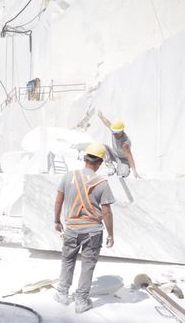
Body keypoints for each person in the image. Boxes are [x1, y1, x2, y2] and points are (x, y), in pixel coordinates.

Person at [53, 143, 115, 313]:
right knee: (88, 265)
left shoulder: (68, 176)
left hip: (72, 228)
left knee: (67, 260)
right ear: (100, 162)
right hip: (93, 231)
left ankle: (62, 293)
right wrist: (110, 235)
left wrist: (57, 221)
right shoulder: (102, 183)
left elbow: (59, 201)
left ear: (84, 158)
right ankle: (81, 301)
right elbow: (107, 212)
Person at [98, 111, 140, 178]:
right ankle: (111, 168)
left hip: (123, 160)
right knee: (102, 147)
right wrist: (101, 116)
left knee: (121, 174)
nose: (115, 135)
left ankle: (124, 169)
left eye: (117, 133)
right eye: (114, 132)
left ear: (122, 130)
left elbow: (129, 156)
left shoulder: (125, 143)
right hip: (114, 154)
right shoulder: (114, 131)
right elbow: (107, 123)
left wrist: (134, 171)